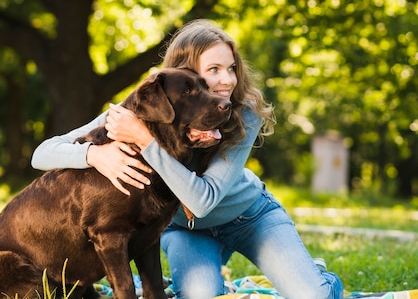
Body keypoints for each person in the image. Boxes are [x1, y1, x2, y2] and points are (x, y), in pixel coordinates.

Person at [32, 19, 344, 299]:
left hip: (249, 217)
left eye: (231, 68)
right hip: (184, 229)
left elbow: (203, 200)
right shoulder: (146, 105)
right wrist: (93, 153)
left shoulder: (243, 112)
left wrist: (145, 140)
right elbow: (42, 153)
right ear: (185, 75)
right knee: (199, 296)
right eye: (214, 70)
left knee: (311, 295)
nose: (227, 80)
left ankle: (317, 276)